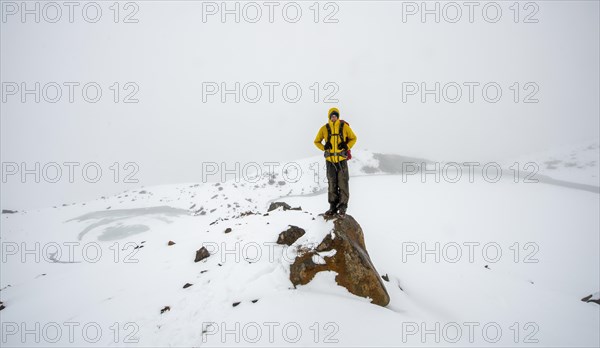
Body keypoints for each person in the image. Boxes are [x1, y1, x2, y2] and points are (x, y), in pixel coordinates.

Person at [313, 107, 357, 217]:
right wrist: (324, 147)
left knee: (343, 184)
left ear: (338, 117)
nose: (333, 117)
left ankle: (342, 207)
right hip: (330, 161)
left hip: (342, 161)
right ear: (329, 117)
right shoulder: (324, 128)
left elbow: (353, 138)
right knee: (332, 184)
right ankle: (332, 207)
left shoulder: (344, 127)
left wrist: (346, 146)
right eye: (332, 116)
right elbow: (316, 141)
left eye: (335, 115)